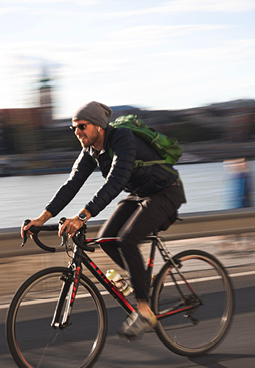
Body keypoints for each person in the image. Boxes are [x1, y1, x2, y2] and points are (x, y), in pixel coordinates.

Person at [22, 101, 184, 339]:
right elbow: (72, 184)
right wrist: (42, 217)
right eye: (74, 127)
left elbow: (116, 181)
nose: (77, 132)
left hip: (165, 192)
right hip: (139, 194)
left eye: (82, 126)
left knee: (127, 240)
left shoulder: (123, 139)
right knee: (107, 239)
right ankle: (140, 278)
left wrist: (82, 216)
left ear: (98, 126)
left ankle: (144, 312)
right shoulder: (90, 151)